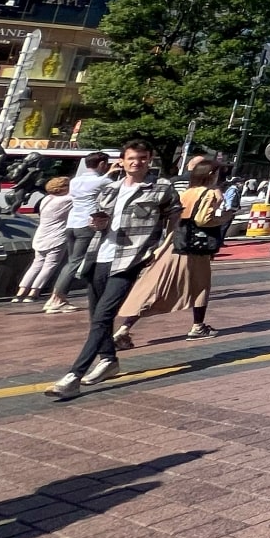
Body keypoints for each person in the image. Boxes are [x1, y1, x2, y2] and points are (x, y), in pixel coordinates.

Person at [45, 142, 180, 400]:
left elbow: (174, 217)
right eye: (131, 158)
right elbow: (99, 224)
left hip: (130, 259)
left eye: (142, 158)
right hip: (100, 256)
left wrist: (162, 247)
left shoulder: (161, 188)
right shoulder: (109, 188)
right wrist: (98, 223)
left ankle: (73, 375)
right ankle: (108, 359)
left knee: (103, 316)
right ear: (122, 161)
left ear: (149, 159)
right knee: (96, 315)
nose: (136, 162)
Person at [114, 157, 227, 345]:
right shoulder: (209, 193)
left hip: (174, 244)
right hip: (194, 249)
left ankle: (124, 329)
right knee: (200, 287)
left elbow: (172, 221)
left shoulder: (186, 193)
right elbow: (203, 220)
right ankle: (198, 327)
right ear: (211, 175)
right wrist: (224, 217)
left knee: (154, 288)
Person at [45, 152, 113, 313]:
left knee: (71, 262)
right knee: (76, 262)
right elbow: (113, 187)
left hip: (72, 224)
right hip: (87, 224)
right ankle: (57, 299)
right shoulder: (103, 180)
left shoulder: (75, 181)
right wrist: (112, 173)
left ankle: (54, 298)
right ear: (102, 164)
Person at [13, 177, 74, 304]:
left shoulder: (46, 199)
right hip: (56, 235)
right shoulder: (66, 200)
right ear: (63, 188)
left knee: (36, 264)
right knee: (49, 265)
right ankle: (34, 292)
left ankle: (20, 292)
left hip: (41, 234)